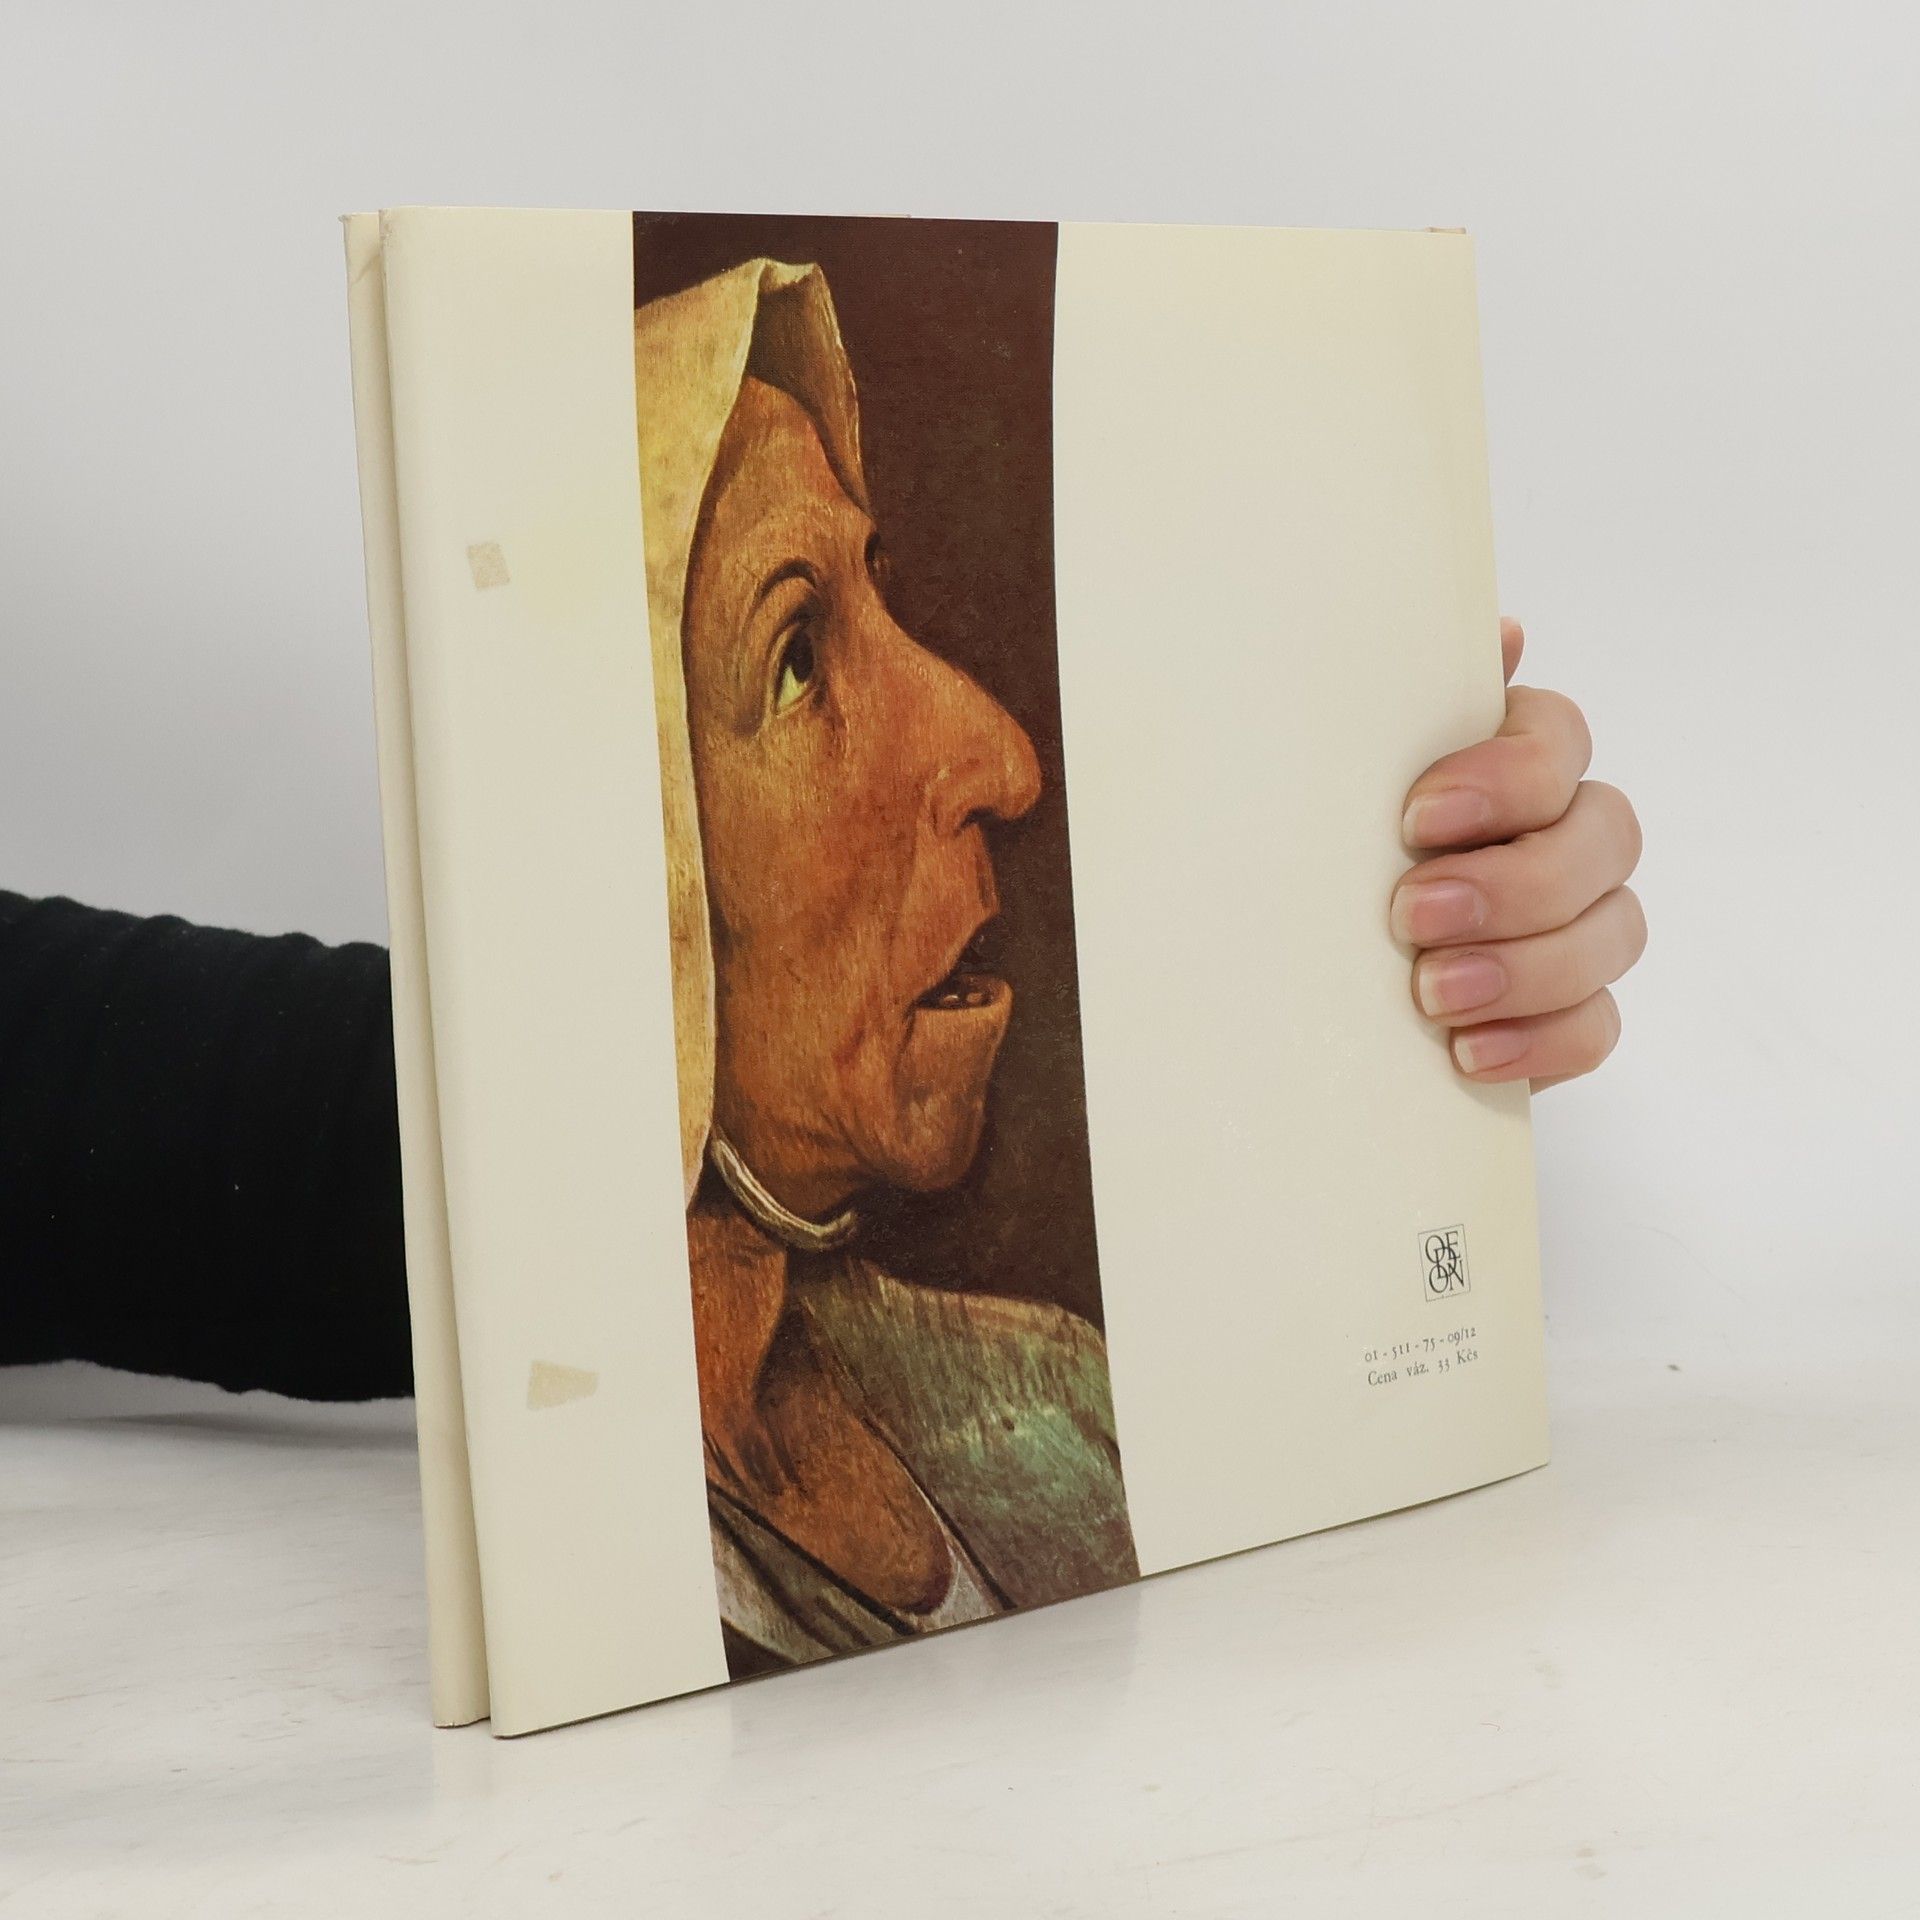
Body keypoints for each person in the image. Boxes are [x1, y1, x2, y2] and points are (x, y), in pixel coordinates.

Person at [0, 276, 1645, 1650]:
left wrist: (1361, 970)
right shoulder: (620, 1576)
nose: (999, 757)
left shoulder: (1054, 1396)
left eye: (879, 604)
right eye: (794, 659)